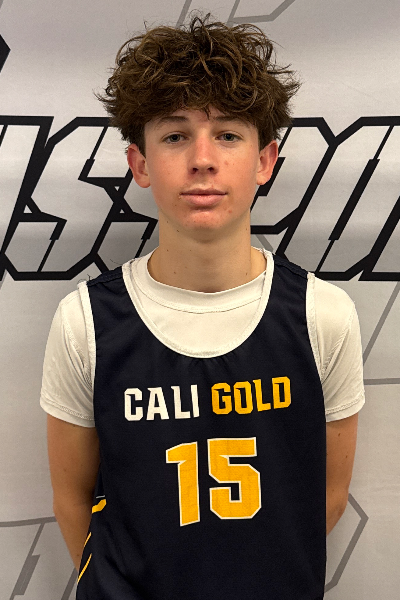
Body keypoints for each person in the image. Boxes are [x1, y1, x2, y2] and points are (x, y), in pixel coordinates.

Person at [41, 12, 365, 600]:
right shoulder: (85, 321)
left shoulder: (323, 314)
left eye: (228, 135)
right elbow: (71, 499)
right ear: (140, 164)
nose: (202, 159)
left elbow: (327, 497)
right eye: (175, 135)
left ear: (264, 161)